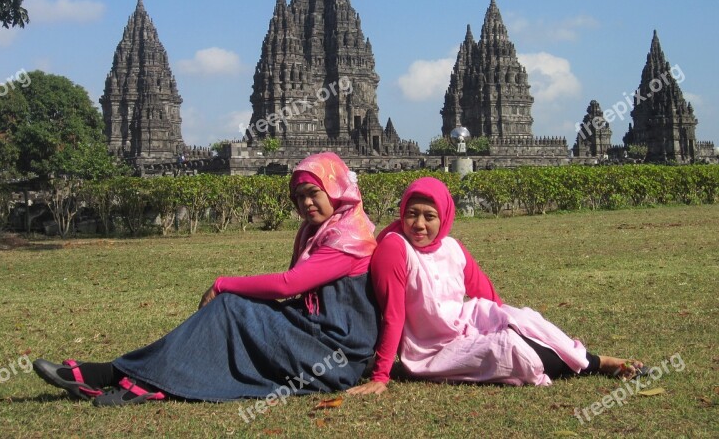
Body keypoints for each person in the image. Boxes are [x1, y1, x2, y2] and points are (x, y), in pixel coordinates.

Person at [33, 152, 380, 406]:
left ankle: (118, 376)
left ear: (335, 190)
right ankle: (127, 376)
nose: (305, 203)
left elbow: (289, 285)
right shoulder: (317, 231)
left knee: (231, 304)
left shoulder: (349, 238)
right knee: (237, 310)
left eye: (313, 193)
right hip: (313, 334)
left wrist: (222, 282)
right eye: (299, 196)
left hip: (336, 356)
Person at [348, 177, 646, 395]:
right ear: (402, 214)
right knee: (513, 349)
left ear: (445, 218)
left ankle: (594, 359)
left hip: (466, 320)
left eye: (430, 216)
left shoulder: (451, 246)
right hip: (432, 347)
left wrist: (508, 319)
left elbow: (485, 294)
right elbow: (393, 314)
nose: (419, 224)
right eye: (412, 214)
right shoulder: (395, 248)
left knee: (526, 319)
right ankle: (598, 364)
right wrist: (381, 375)